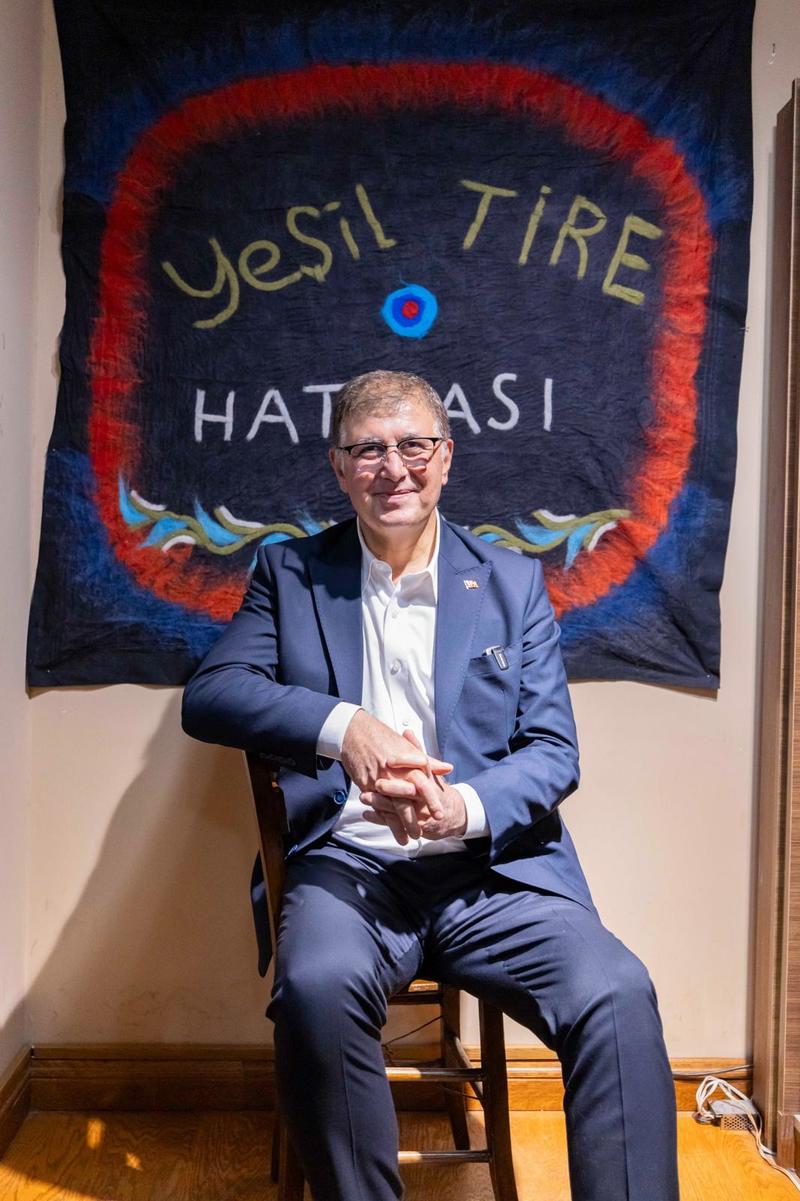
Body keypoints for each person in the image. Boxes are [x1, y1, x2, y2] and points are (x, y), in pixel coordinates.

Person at [181, 369, 679, 1201]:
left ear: (446, 457)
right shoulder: (290, 574)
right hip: (350, 872)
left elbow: (553, 751)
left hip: (493, 875)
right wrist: (348, 728)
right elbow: (211, 695)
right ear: (338, 467)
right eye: (368, 450)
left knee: (618, 993)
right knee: (315, 989)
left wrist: (461, 807)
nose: (394, 468)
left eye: (413, 445)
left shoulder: (511, 582)